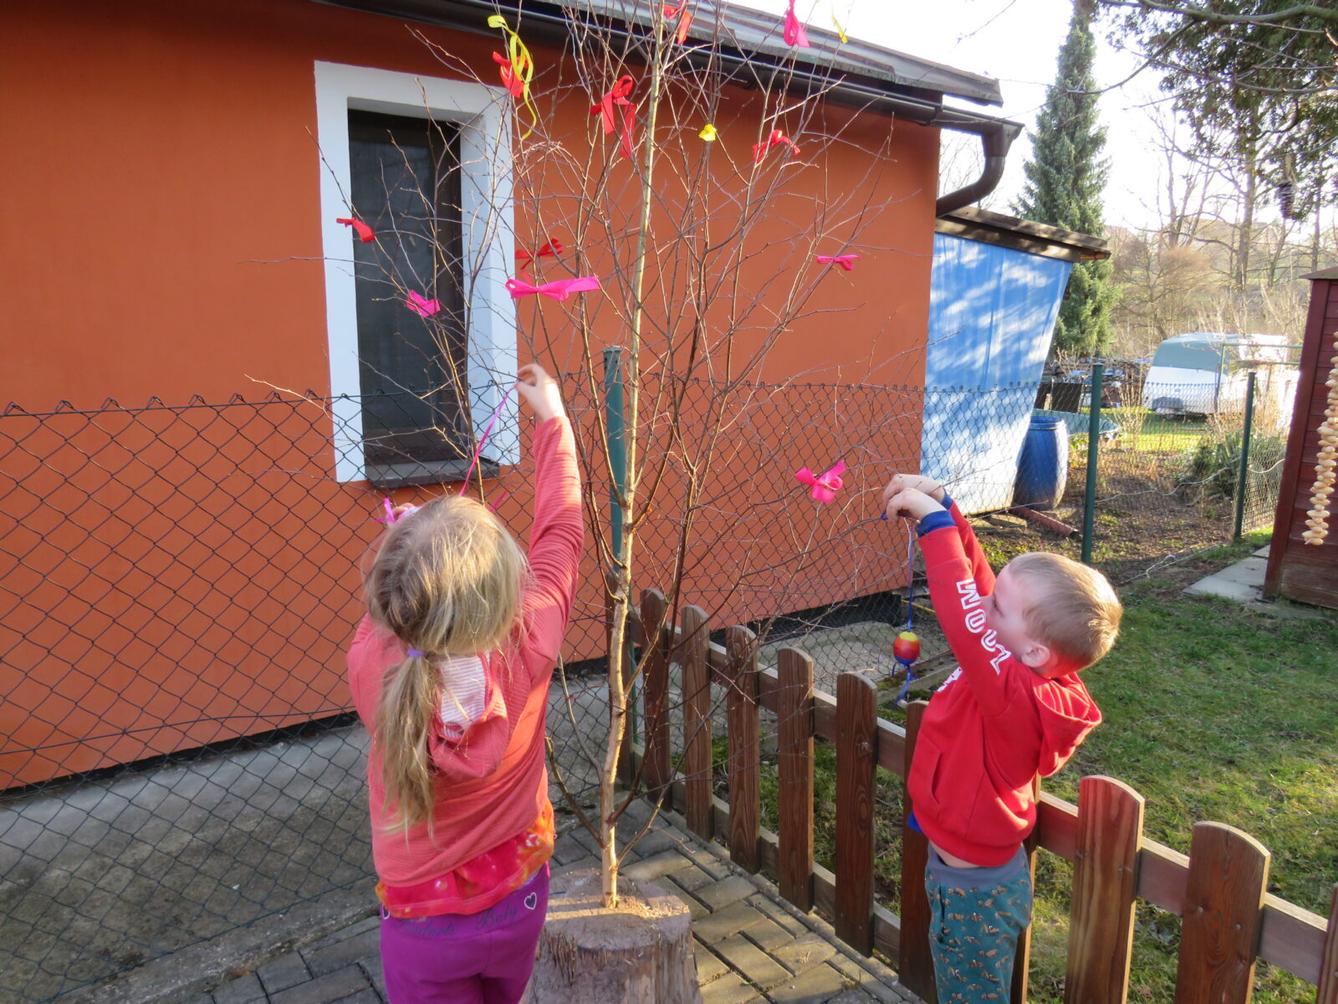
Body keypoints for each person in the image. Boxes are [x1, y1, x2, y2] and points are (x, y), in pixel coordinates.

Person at [348, 363, 582, 1004]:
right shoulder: (532, 636)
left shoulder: (374, 666)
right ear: (504, 592)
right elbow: (562, 532)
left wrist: (406, 543)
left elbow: (385, 611)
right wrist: (553, 420)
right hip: (521, 898)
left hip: (422, 927)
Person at [880, 472, 1122, 1002]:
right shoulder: (1015, 662)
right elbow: (981, 590)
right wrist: (948, 507)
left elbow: (964, 616)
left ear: (1034, 650)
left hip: (974, 894)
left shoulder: (1015, 694)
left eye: (998, 610)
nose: (983, 605)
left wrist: (935, 526)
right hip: (962, 873)